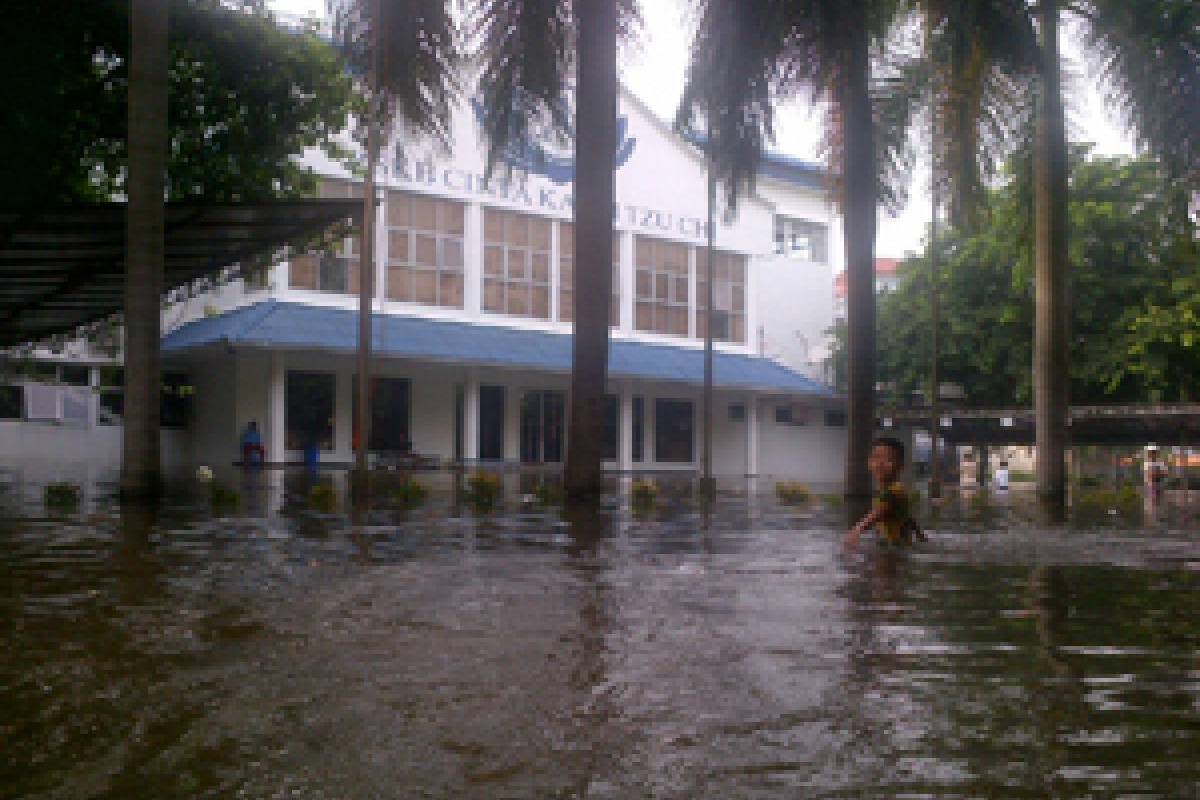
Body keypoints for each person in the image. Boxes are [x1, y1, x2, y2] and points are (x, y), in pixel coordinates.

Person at [845, 437, 925, 548]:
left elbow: (876, 514)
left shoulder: (893, 491)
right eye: (876, 458)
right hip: (895, 544)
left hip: (896, 546)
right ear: (869, 463)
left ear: (900, 465)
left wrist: (856, 530)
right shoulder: (893, 490)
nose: (880, 463)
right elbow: (906, 517)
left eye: (888, 459)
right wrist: (920, 535)